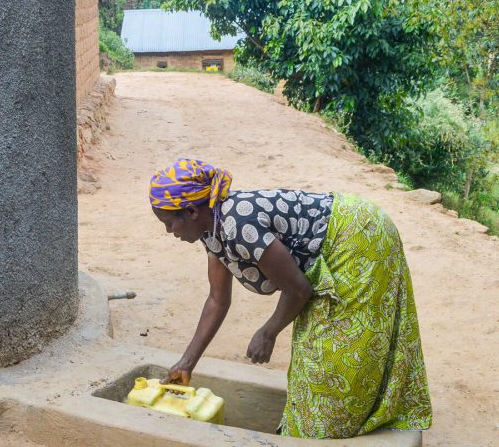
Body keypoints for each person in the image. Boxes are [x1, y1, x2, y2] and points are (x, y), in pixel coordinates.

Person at [149, 158, 432, 439]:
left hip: (358, 238)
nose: (168, 232)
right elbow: (217, 300)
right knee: (315, 349)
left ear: (191, 212)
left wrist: (268, 332)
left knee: (334, 353)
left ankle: (336, 429)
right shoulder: (213, 228)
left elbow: (299, 289)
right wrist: (186, 363)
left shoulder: (239, 224)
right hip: (340, 238)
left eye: (169, 223)